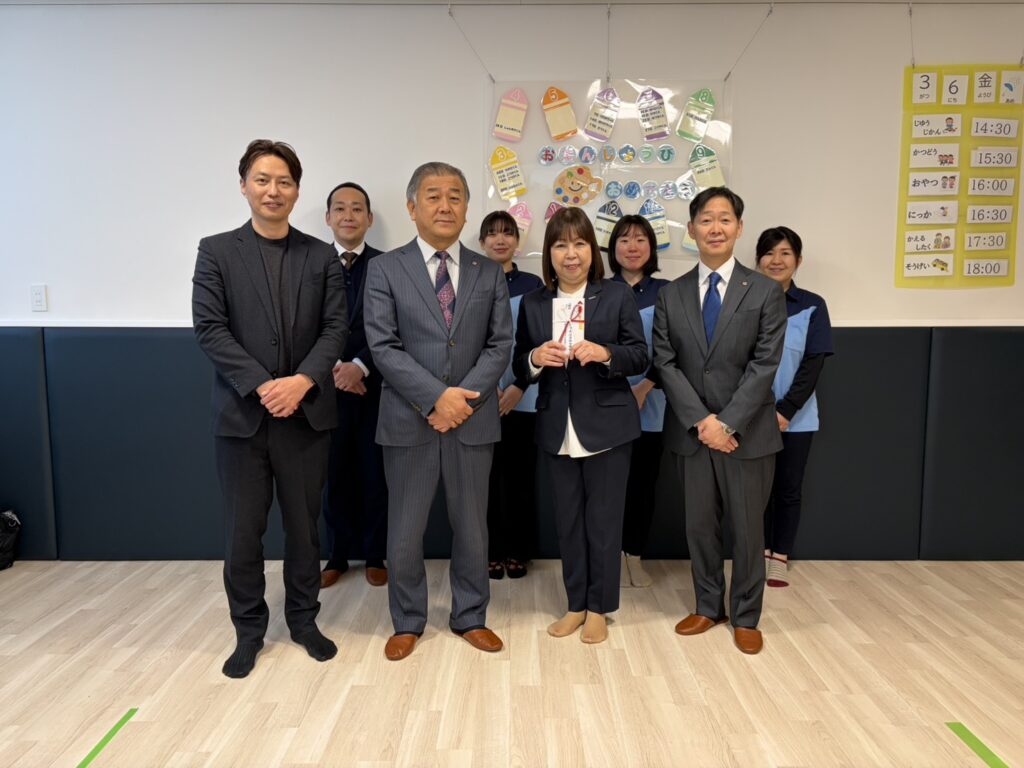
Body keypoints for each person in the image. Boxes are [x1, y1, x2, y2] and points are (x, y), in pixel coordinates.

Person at [192, 139, 347, 678]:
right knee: (243, 534)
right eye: (262, 180)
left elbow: (336, 328)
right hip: (242, 419)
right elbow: (210, 328)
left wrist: (301, 382)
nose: (273, 190)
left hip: (306, 416)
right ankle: (248, 632)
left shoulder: (320, 255)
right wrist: (264, 386)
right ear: (244, 186)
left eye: (284, 181)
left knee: (305, 531)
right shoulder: (216, 251)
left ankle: (304, 622)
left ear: (297, 190)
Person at [364, 162, 513, 661]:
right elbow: (383, 346)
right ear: (412, 208)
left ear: (467, 209)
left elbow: (500, 345)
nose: (445, 205)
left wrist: (459, 402)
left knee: (472, 528)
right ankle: (408, 620)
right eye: (433, 196)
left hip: (472, 420)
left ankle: (470, 616)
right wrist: (435, 398)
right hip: (409, 421)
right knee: (405, 532)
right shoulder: (385, 269)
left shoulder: (488, 271)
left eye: (455, 196)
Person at [653, 186, 786, 655]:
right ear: (691, 230)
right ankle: (708, 606)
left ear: (739, 228)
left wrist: (726, 423)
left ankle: (746, 616)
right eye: (706, 219)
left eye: (724, 219)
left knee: (748, 531)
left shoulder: (765, 291)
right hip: (693, 435)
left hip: (746, 434)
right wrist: (702, 422)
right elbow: (665, 362)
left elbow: (765, 364)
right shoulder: (671, 294)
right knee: (699, 527)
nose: (715, 227)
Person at [512, 207, 648, 644]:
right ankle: (575, 605)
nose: (571, 254)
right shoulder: (534, 302)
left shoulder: (616, 296)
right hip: (557, 425)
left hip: (608, 426)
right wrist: (535, 358)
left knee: (603, 522)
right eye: (560, 245)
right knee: (568, 522)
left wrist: (605, 353)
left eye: (579, 243)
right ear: (549, 253)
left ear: (592, 250)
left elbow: (639, 355)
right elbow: (518, 362)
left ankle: (599, 608)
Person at [755, 226, 833, 588]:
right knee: (756, 490)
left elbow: (813, 365)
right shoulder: (746, 302)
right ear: (758, 260)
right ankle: (758, 553)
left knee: (788, 488)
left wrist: (785, 411)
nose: (776, 260)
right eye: (769, 253)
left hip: (797, 419)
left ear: (798, 261)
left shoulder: (813, 305)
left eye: (785, 253)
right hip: (752, 416)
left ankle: (780, 557)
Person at [320, 182, 389, 589]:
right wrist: (336, 369)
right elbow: (303, 324)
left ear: (369, 218)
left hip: (375, 388)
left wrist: (361, 366)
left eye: (357, 208)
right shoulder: (312, 264)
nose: (349, 215)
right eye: (341, 209)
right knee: (334, 475)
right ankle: (337, 555)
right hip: (325, 390)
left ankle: (376, 554)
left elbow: (395, 324)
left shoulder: (387, 265)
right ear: (328, 217)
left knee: (375, 473)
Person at [479, 211, 544, 580]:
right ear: (482, 242)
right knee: (484, 481)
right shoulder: (470, 280)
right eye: (492, 234)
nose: (500, 240)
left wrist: (520, 385)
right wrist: (488, 384)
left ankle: (519, 551)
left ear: (517, 242)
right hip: (481, 396)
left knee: (520, 478)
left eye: (507, 233)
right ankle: (490, 551)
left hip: (525, 395)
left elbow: (541, 341)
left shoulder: (533, 284)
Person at [608, 215, 670, 588]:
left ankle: (634, 554)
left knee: (644, 482)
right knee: (608, 484)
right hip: (606, 403)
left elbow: (674, 346)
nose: (632, 247)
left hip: (652, 401)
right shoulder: (598, 289)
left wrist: (645, 387)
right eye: (624, 239)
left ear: (652, 247)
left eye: (640, 239)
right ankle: (608, 555)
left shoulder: (668, 292)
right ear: (612, 247)